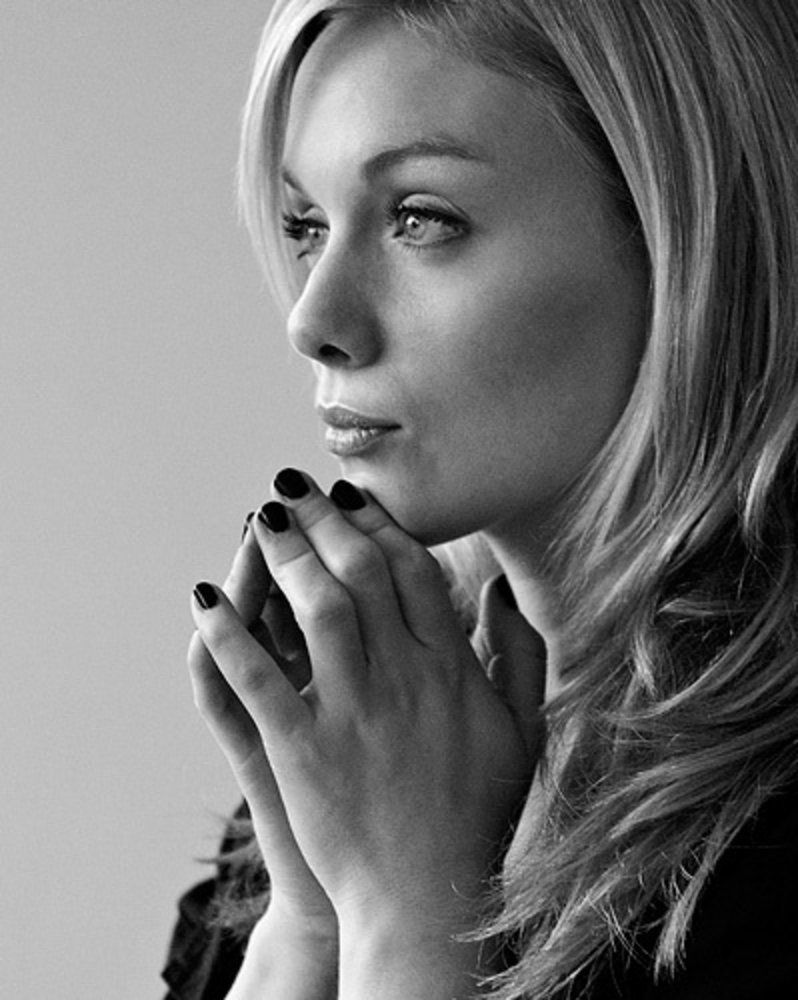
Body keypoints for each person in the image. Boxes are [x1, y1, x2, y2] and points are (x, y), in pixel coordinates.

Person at [162, 1, 798, 997]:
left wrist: (410, 919)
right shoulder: (376, 737)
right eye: (307, 225)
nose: (313, 319)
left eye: (421, 219)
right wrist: (311, 912)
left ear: (687, 244)